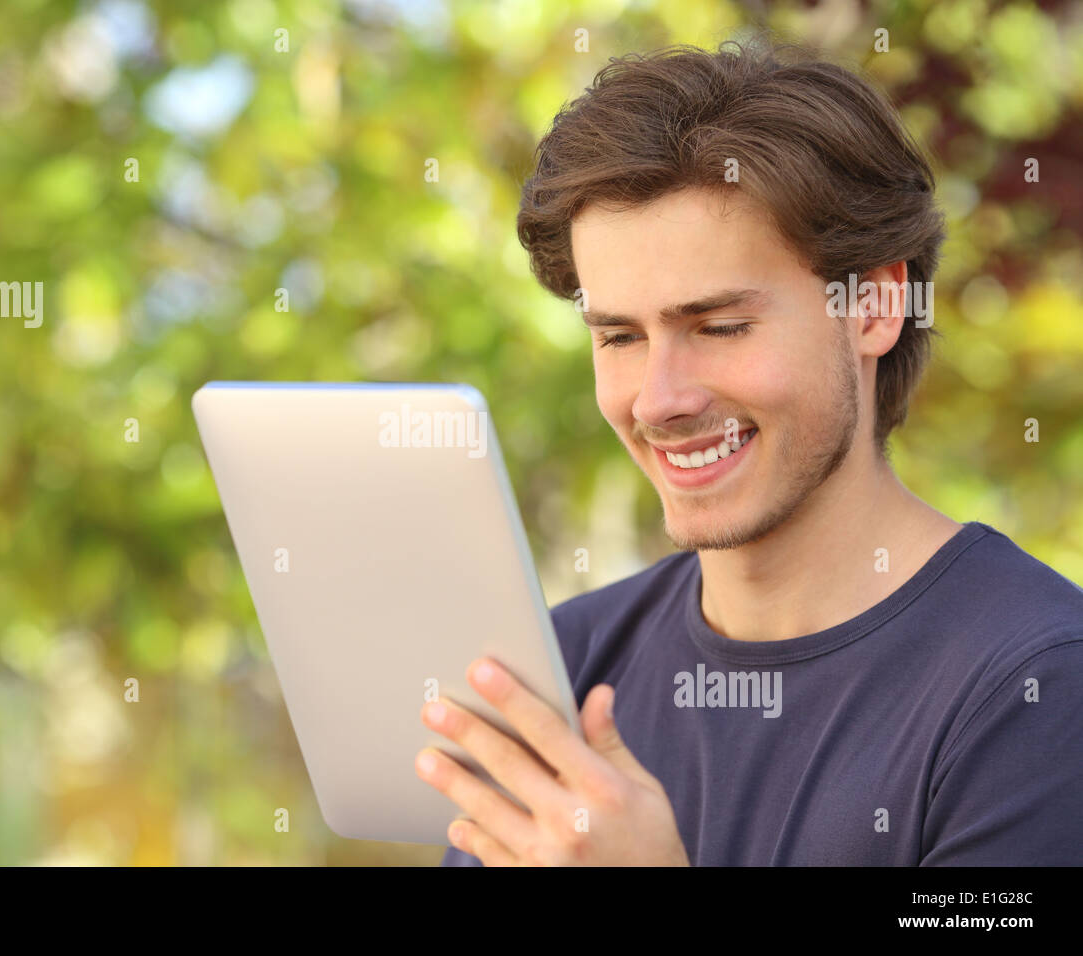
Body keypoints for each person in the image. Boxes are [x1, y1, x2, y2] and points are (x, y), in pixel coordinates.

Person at [423, 39, 1083, 866]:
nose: (660, 399)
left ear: (874, 306)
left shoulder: (1037, 688)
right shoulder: (560, 667)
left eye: (720, 327)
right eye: (620, 337)